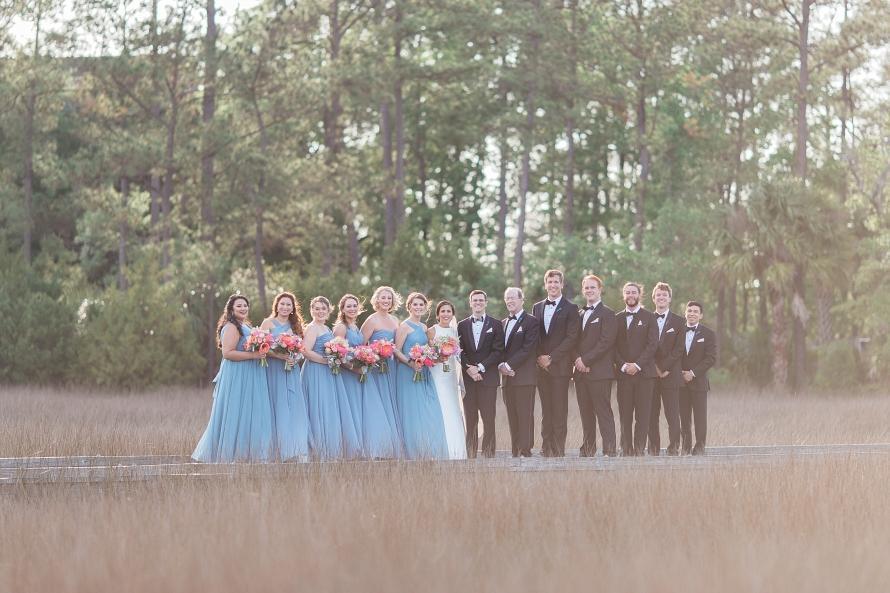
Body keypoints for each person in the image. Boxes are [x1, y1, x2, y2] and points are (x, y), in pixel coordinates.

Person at [193, 294, 275, 463]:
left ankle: (249, 455)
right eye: (239, 306)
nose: (243, 308)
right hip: (238, 374)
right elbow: (228, 353)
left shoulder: (244, 325)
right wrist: (254, 355)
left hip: (250, 373)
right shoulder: (231, 327)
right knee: (236, 412)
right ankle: (229, 456)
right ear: (231, 309)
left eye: (245, 305)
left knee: (251, 412)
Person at [301, 296, 362, 460]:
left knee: (329, 407)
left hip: (328, 371)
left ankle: (331, 449)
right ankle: (319, 450)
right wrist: (325, 360)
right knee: (318, 407)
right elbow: (305, 350)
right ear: (311, 310)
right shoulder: (312, 328)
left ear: (329, 311)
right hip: (316, 371)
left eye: (323, 309)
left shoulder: (327, 329)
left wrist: (335, 358)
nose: (320, 311)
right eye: (316, 308)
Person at [392, 292, 449, 460]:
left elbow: (430, 349)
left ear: (425, 307)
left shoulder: (424, 327)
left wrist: (438, 356)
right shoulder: (404, 326)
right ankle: (414, 453)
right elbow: (396, 349)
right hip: (408, 372)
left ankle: (429, 450)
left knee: (428, 410)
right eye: (415, 304)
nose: (418, 307)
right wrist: (410, 362)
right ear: (409, 306)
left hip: (423, 371)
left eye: (421, 305)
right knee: (413, 412)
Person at [532, 269, 580, 457]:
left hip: (560, 367)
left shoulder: (571, 308)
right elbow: (533, 335)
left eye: (556, 282)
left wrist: (551, 357)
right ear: (546, 285)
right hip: (541, 368)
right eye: (549, 282)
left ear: (562, 284)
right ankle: (546, 447)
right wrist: (539, 357)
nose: (552, 285)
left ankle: (559, 449)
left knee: (559, 409)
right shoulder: (537, 307)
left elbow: (572, 337)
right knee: (546, 410)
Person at [259, 292, 312, 461]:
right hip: (273, 370)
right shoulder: (268, 323)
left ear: (293, 308)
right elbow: (261, 347)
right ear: (276, 305)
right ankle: (274, 451)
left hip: (291, 371)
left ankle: (293, 448)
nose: (285, 307)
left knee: (292, 407)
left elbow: (301, 350)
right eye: (282, 304)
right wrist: (280, 356)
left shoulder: (295, 326)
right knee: (276, 406)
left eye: (289, 304)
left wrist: (294, 358)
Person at [572, 275, 618, 457]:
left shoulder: (608, 314)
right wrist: (577, 360)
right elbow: (573, 340)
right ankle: (588, 448)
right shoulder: (580, 314)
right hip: (580, 373)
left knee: (603, 412)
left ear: (600, 290)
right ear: (583, 291)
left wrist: (586, 360)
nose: (589, 290)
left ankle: (609, 449)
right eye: (587, 288)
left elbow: (606, 342)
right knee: (586, 414)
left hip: (599, 372)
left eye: (593, 287)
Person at [457, 290, 505, 458]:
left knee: (488, 417)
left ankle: (489, 454)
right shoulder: (461, 325)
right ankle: (470, 453)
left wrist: (481, 367)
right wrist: (469, 369)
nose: (478, 303)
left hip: (488, 379)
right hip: (468, 379)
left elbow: (499, 351)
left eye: (480, 300)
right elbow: (459, 351)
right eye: (474, 300)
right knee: (470, 419)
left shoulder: (497, 324)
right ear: (470, 303)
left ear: (486, 303)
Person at [614, 282, 658, 456]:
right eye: (627, 292)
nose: (630, 295)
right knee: (625, 415)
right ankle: (626, 449)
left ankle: (639, 450)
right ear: (623, 295)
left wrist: (637, 365)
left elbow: (652, 344)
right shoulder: (616, 318)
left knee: (643, 416)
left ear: (640, 295)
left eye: (634, 292)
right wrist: (624, 365)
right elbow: (612, 346)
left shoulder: (649, 317)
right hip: (623, 375)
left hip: (645, 375)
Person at [360, 286, 403, 450]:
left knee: (390, 403)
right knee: (377, 404)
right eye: (383, 297)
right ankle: (376, 446)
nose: (386, 301)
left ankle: (390, 445)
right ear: (377, 300)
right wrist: (374, 354)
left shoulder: (395, 320)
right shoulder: (371, 320)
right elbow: (360, 345)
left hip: (391, 367)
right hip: (376, 368)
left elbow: (397, 346)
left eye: (389, 298)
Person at [498, 287, 540, 458]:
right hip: (507, 379)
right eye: (507, 298)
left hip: (524, 377)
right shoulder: (503, 323)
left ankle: (525, 450)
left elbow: (528, 348)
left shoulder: (531, 321)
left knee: (524, 415)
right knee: (512, 416)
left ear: (522, 300)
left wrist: (508, 365)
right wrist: (501, 364)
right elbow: (499, 349)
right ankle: (515, 451)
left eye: (513, 298)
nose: (509, 301)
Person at [647, 282, 685, 456]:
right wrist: (655, 368)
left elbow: (679, 349)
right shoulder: (646, 318)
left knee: (672, 415)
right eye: (658, 295)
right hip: (650, 375)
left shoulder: (679, 321)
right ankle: (653, 448)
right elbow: (645, 346)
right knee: (651, 415)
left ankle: (673, 447)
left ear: (669, 298)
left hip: (671, 375)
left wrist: (664, 367)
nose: (661, 297)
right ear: (653, 298)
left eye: (664, 295)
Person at [428, 300, 468, 460]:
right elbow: (427, 355)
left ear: (452, 314)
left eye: (448, 311)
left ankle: (456, 450)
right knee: (439, 407)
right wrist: (439, 356)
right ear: (437, 314)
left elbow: (458, 356)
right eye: (442, 311)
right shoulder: (431, 331)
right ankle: (439, 449)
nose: (446, 314)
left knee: (452, 408)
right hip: (436, 374)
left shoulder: (454, 332)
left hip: (451, 375)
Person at [679, 300, 717, 455]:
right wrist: (680, 373)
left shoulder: (708, 334)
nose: (692, 313)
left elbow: (711, 358)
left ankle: (700, 447)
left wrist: (692, 373)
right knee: (683, 417)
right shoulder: (678, 331)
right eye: (689, 311)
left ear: (701, 315)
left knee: (700, 417)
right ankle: (685, 447)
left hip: (699, 382)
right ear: (685, 313)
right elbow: (673, 354)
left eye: (695, 311)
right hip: (680, 382)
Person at [332, 294, 366, 454]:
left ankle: (359, 447)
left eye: (354, 306)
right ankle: (350, 449)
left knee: (358, 410)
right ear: (343, 309)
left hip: (358, 373)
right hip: (347, 374)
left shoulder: (355, 327)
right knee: (349, 410)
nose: (352, 309)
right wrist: (354, 368)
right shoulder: (342, 327)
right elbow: (337, 354)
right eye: (349, 306)